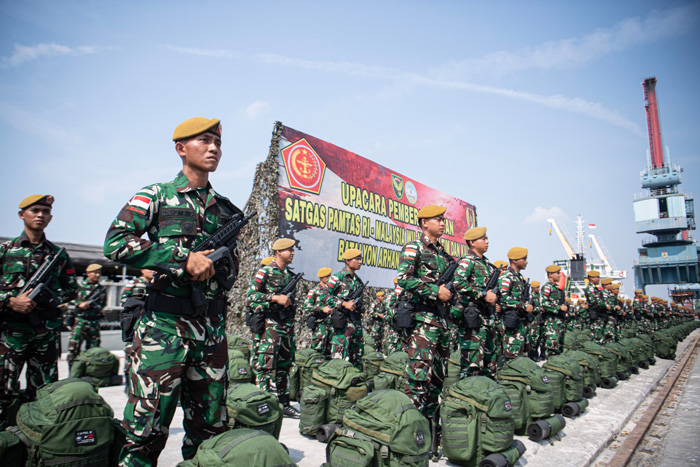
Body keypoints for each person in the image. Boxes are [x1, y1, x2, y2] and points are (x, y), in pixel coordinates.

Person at [104, 117, 243, 465]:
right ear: (181, 149)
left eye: (218, 143)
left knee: (210, 431)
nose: (214, 148)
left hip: (210, 331)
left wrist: (218, 264)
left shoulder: (227, 210)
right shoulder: (156, 196)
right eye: (204, 141)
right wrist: (181, 259)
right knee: (145, 430)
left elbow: (232, 272)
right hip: (163, 328)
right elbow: (116, 243)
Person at [0, 194, 78, 426]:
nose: (40, 215)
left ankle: (37, 443)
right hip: (9, 333)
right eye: (34, 210)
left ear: (50, 218)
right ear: (22, 215)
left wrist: (50, 298)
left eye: (44, 212)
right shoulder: (5, 250)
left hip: (45, 332)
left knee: (44, 392)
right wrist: (10, 300)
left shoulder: (58, 255)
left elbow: (72, 289)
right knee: (4, 391)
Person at [397, 205, 452, 418]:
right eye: (437, 219)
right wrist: (434, 290)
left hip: (442, 322)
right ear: (424, 223)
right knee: (418, 377)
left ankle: (429, 428)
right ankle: (410, 427)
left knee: (438, 378)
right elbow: (404, 279)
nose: (442, 223)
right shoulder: (414, 248)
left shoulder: (445, 256)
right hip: (423, 323)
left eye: (443, 219)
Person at [246, 238, 302, 418]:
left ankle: (284, 402)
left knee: (285, 365)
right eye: (289, 250)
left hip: (286, 326)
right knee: (265, 365)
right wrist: (274, 298)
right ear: (278, 252)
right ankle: (264, 402)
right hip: (270, 326)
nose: (292, 253)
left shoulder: (290, 276)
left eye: (293, 250)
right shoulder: (266, 272)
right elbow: (251, 296)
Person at [452, 226, 499, 378]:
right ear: (472, 242)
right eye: (483, 239)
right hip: (473, 320)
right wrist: (483, 294)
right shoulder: (467, 262)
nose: (487, 241)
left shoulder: (487, 264)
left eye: (487, 238)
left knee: (490, 364)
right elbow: (458, 283)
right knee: (472, 366)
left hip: (487, 318)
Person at [324, 248, 366, 369]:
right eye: (357, 259)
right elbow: (324, 296)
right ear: (347, 261)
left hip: (355, 323)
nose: (359, 262)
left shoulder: (358, 281)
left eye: (360, 259)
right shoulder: (337, 278)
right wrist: (343, 303)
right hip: (342, 323)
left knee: (357, 356)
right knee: (340, 355)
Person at [119, 269, 155, 391]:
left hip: (150, 323)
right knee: (130, 352)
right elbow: (124, 300)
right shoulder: (134, 282)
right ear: (142, 270)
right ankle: (129, 385)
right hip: (135, 322)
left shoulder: (157, 282)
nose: (153, 271)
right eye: (150, 269)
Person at [65, 263, 106, 368]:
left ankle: (90, 371)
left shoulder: (101, 289)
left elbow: (103, 304)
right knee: (73, 348)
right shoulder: (80, 286)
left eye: (99, 273)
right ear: (88, 273)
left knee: (94, 349)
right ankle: (73, 372)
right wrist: (79, 304)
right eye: (95, 272)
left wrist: (96, 307)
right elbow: (68, 301)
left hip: (94, 322)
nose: (97, 275)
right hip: (80, 321)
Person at [498, 247, 533, 361]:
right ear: (515, 260)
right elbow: (503, 298)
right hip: (511, 324)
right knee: (512, 358)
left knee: (520, 356)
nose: (526, 261)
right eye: (524, 258)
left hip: (520, 323)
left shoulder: (519, 278)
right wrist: (524, 306)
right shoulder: (507, 277)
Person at [302, 267, 333, 356]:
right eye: (328, 277)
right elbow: (307, 306)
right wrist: (321, 308)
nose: (330, 279)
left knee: (329, 351)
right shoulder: (314, 291)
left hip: (331, 324)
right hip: (320, 325)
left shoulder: (331, 291)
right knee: (317, 350)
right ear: (323, 278)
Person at [539, 265, 567, 357]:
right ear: (550, 274)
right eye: (557, 273)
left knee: (559, 347)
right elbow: (543, 302)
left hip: (559, 322)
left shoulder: (558, 289)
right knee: (552, 348)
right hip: (552, 322)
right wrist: (559, 307)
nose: (559, 275)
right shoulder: (547, 287)